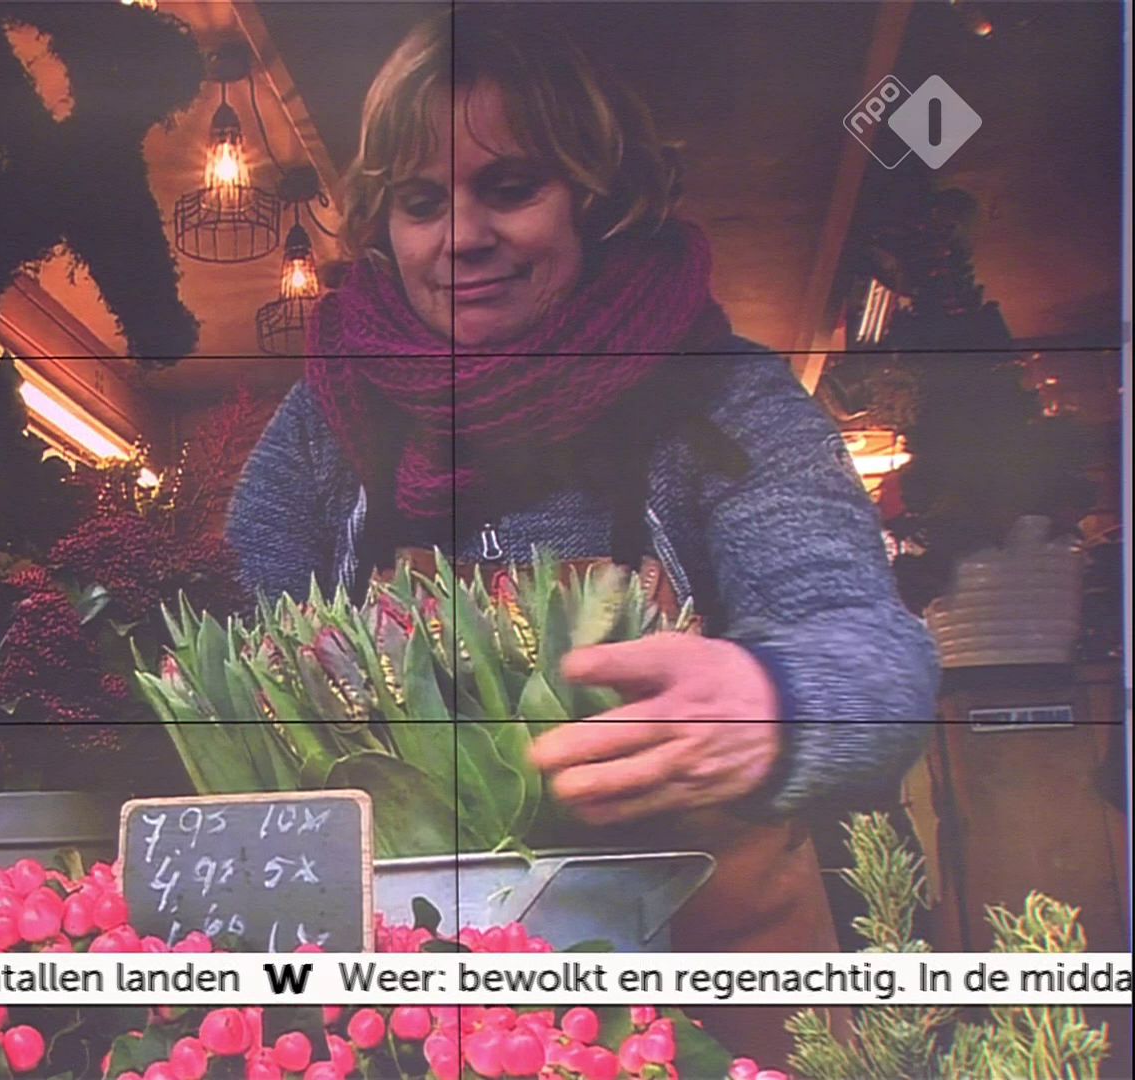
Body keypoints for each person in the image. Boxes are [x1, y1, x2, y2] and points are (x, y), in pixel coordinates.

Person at [224, 9, 939, 1064]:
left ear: (599, 200)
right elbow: (247, 680)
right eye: (421, 202)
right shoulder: (328, 423)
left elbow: (881, 655)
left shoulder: (723, 398)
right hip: (407, 1013)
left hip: (710, 993)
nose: (460, 236)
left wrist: (780, 704)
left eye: (511, 187)